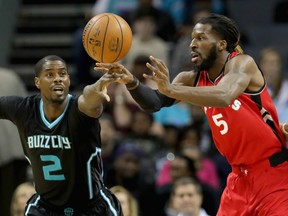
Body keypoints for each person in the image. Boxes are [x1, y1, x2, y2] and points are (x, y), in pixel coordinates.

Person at [95, 13, 288, 215]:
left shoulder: (241, 64)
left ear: (221, 44)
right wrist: (131, 82)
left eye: (201, 38)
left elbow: (224, 95)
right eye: (192, 38)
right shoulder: (189, 79)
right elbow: (153, 102)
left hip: (273, 175)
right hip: (238, 180)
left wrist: (170, 89)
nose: (192, 44)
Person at [0, 55, 123, 215]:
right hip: (46, 208)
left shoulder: (80, 109)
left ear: (69, 80)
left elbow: (89, 97)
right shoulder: (24, 110)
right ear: (37, 82)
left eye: (62, 74)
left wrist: (99, 86)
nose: (57, 79)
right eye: (50, 74)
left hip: (91, 207)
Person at [0, 67, 30, 216]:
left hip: (4, 152)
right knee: (19, 201)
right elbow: (28, 109)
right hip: (19, 148)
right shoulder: (11, 76)